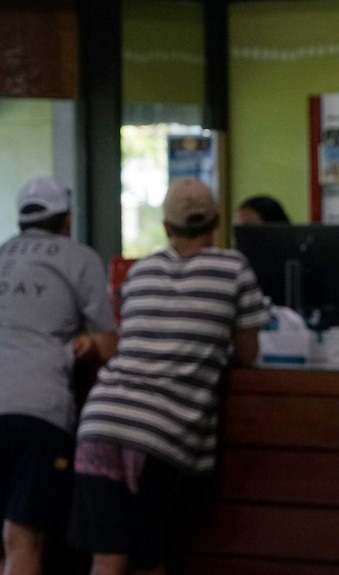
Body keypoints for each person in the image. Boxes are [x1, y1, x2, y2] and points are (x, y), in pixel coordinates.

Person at [67, 177, 270, 575]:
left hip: (100, 421)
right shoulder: (233, 268)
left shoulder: (140, 273)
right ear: (216, 223)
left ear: (166, 228)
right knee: (149, 560)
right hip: (162, 435)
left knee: (107, 557)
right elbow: (248, 354)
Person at [0, 176, 117, 575]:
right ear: (67, 220)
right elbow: (108, 347)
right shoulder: (79, 258)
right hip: (39, 409)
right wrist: (84, 343)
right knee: (23, 538)